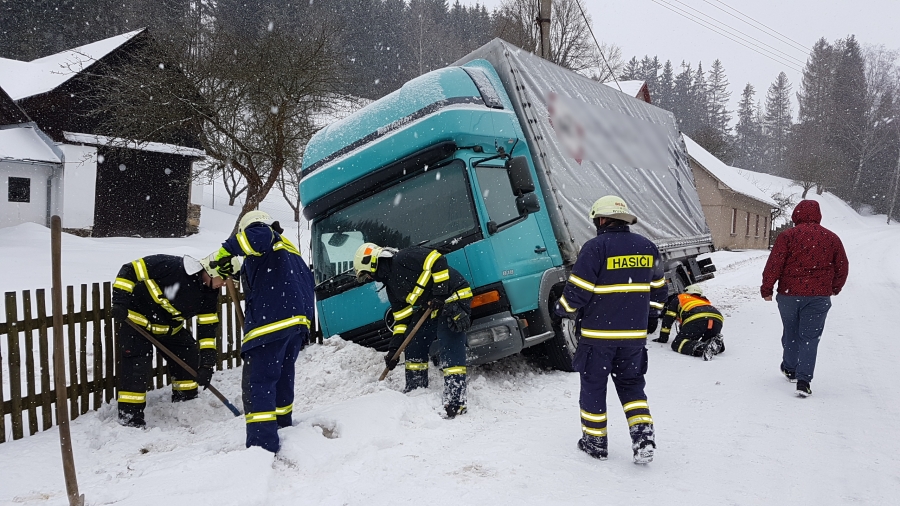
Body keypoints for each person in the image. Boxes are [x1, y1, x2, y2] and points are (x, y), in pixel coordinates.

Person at [554, 195, 667, 464]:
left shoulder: (595, 248)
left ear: (602, 219)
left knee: (593, 388)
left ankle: (595, 443)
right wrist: (650, 317)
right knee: (632, 387)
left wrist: (562, 309)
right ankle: (643, 439)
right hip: (633, 339)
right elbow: (659, 292)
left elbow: (578, 292)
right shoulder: (647, 248)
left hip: (598, 338)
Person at [206, 210, 315, 452]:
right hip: (296, 324)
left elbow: (255, 237)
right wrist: (235, 271)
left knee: (259, 382)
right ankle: (283, 427)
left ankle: (261, 446)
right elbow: (263, 277)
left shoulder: (263, 234)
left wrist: (225, 253)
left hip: (272, 322)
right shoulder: (287, 251)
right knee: (282, 378)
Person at [112, 254, 236, 428]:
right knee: (136, 367)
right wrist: (120, 302)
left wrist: (207, 364)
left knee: (189, 354)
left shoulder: (209, 294)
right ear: (212, 271)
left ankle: (185, 403)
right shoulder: (172, 266)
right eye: (224, 279)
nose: (223, 284)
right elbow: (130, 269)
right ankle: (130, 418)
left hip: (169, 329)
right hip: (138, 323)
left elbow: (207, 328)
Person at [353, 242, 472, 419]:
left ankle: (456, 401)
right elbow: (402, 319)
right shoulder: (391, 288)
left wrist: (440, 294)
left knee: (449, 342)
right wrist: (393, 350)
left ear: (372, 263)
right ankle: (416, 390)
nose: (369, 278)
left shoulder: (404, 257)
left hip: (453, 298)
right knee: (414, 340)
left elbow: (438, 260)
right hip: (431, 307)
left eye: (367, 274)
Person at [761, 199, 848, 398]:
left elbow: (774, 264)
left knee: (790, 332)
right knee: (810, 338)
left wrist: (767, 289)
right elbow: (842, 266)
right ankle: (804, 381)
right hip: (818, 297)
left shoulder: (787, 236)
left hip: (789, 295)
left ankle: (790, 368)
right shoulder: (832, 238)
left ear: (796, 215)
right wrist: (835, 287)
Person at [653, 284, 724, 361]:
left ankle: (702, 348)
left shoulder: (680, 298)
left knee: (678, 343)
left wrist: (663, 338)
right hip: (717, 319)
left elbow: (668, 318)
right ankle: (716, 344)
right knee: (706, 340)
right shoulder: (704, 300)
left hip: (697, 318)